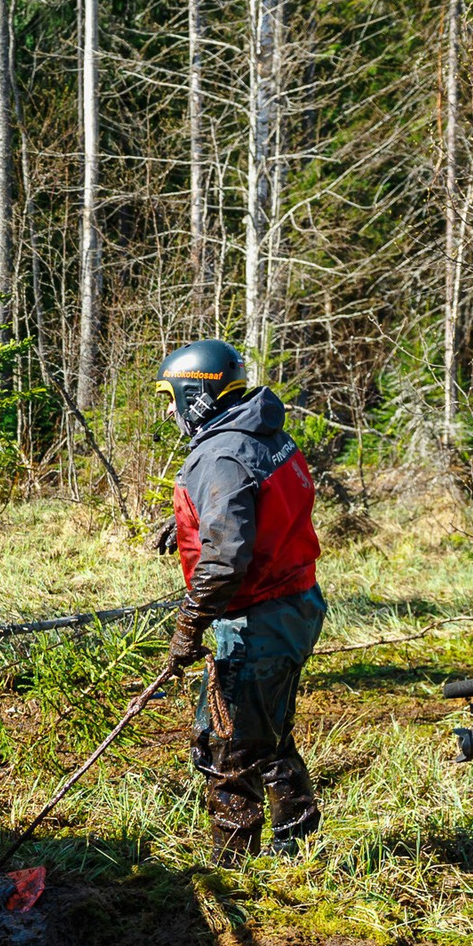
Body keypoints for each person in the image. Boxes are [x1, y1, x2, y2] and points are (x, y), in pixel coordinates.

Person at [155, 340, 325, 862]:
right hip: (296, 604)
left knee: (227, 747)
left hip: (256, 619)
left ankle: (235, 867)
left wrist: (190, 623)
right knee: (268, 732)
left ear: (195, 394)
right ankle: (297, 845)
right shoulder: (261, 430)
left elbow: (227, 556)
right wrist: (191, 518)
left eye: (171, 397)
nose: (168, 410)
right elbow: (257, 504)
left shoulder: (221, 453)